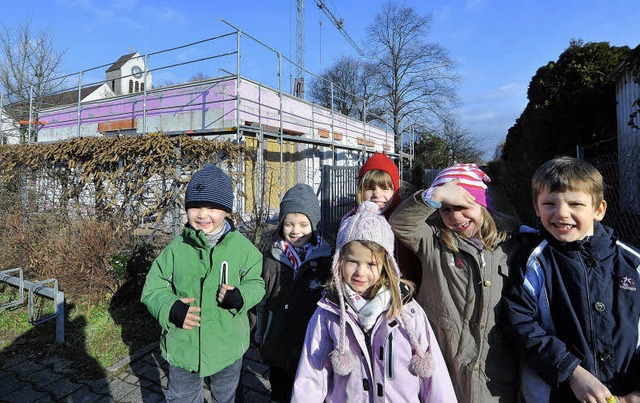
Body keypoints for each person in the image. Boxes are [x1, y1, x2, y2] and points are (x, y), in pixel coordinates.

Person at [503, 156, 640, 402]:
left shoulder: (633, 262)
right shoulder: (533, 261)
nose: (562, 213)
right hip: (558, 393)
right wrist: (570, 371)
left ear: (599, 210)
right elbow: (520, 322)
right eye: (549, 204)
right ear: (536, 207)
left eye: (575, 204)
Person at [292, 201, 456, 402]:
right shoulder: (328, 313)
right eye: (352, 261)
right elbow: (311, 376)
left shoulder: (408, 312)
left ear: (386, 265)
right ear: (339, 261)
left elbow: (436, 382)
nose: (361, 272)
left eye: (371, 263)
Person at [389, 163, 521, 402]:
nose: (455, 216)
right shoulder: (433, 241)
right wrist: (434, 195)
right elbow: (400, 223)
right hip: (446, 367)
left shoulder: (510, 244)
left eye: (461, 207)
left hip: (494, 373)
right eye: (446, 209)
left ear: (482, 204)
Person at [141, 164, 265, 403]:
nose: (202, 214)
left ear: (226, 211)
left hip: (226, 345)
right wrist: (170, 307)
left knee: (226, 395)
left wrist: (241, 296)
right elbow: (153, 288)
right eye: (195, 206)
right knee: (182, 397)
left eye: (212, 207)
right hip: (183, 346)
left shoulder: (241, 247)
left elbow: (256, 282)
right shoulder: (176, 249)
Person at [255, 183, 333, 402]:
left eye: (303, 224)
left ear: (314, 225)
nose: (295, 230)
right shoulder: (271, 258)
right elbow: (262, 301)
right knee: (280, 390)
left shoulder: (325, 260)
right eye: (289, 223)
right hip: (277, 343)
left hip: (311, 346)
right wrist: (260, 335)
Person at [344, 152, 422, 286]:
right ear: (361, 191)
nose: (377, 194)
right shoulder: (351, 222)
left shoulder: (404, 221)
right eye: (370, 188)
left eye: (385, 188)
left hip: (402, 289)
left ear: (395, 191)